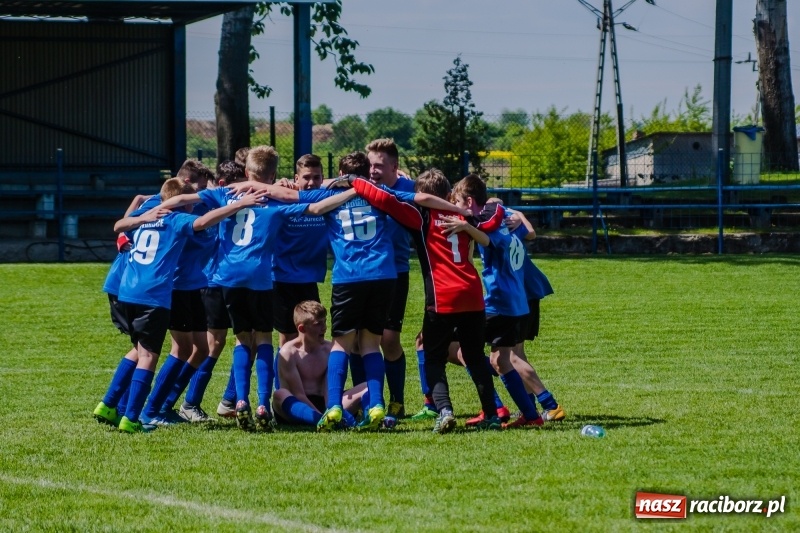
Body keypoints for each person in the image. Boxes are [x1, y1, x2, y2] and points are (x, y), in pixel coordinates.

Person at [92, 178, 265, 433]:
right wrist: (240, 204)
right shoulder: (177, 219)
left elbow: (120, 224)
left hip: (129, 290)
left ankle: (109, 405)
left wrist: (142, 218)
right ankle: (134, 417)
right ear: (183, 203)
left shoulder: (149, 213)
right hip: (155, 294)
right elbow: (203, 222)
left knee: (141, 350)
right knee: (150, 355)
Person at [346, 169, 508, 433]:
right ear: (447, 194)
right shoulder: (466, 215)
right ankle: (491, 414)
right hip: (473, 294)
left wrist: (355, 181)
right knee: (475, 357)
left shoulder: (421, 215)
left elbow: (384, 198)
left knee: (432, 356)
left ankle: (444, 411)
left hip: (443, 297)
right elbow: (495, 214)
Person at [451, 174, 545, 429]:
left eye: (458, 201)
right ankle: (531, 413)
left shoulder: (489, 224)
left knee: (469, 351)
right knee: (500, 359)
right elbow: (529, 232)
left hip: (500, 302)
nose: (456, 207)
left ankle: (509, 409)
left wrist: (466, 227)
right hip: (515, 301)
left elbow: (490, 240)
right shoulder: (502, 216)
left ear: (469, 201)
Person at [365, 139, 417, 418]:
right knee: (360, 339)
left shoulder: (410, 189)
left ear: (395, 167)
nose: (373, 171)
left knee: (389, 340)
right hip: (365, 274)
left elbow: (450, 195)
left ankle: (397, 400)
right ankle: (369, 401)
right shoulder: (361, 188)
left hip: (396, 272)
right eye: (370, 165)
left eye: (379, 166)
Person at [272, 301, 364, 429]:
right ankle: (322, 421)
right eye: (318, 324)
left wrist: (331, 410)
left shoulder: (329, 349)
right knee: (279, 394)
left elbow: (329, 393)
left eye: (325, 322)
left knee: (368, 386)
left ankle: (362, 418)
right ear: (302, 329)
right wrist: (322, 417)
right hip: (296, 405)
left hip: (326, 403)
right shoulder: (288, 352)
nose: (324, 328)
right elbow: (298, 394)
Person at [271, 154, 327, 349]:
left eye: (316, 177)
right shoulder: (282, 198)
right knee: (287, 337)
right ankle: (282, 380)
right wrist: (276, 185)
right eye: (306, 177)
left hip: (309, 280)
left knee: (314, 334)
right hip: (283, 279)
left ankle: (308, 379)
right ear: (296, 178)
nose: (311, 182)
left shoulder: (328, 201)